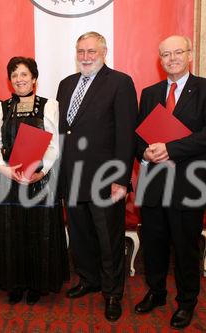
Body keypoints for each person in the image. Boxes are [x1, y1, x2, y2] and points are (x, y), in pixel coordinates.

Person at [134, 35, 206, 329]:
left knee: (186, 248)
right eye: (165, 54)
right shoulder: (150, 93)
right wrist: (145, 152)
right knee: (154, 245)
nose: (171, 58)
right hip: (154, 184)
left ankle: (186, 302)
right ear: (159, 60)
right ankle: (156, 292)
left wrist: (171, 149)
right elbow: (138, 135)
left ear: (189, 55)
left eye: (177, 52)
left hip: (189, 185)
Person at [56, 31, 138, 322]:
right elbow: (62, 133)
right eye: (81, 51)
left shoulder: (120, 82)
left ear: (104, 52)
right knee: (80, 236)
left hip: (105, 179)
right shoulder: (66, 85)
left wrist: (120, 178)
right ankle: (89, 280)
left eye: (91, 51)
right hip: (72, 176)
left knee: (108, 239)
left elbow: (126, 135)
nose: (86, 57)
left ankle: (112, 292)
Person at [0, 56, 69, 305]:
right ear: (9, 81)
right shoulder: (0, 108)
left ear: (34, 79)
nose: (19, 79)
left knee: (38, 232)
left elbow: (55, 144)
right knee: (11, 232)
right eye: (14, 75)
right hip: (8, 180)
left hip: (40, 180)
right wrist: (3, 168)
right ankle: (15, 283)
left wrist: (42, 171)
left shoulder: (50, 105)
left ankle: (36, 284)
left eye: (24, 74)